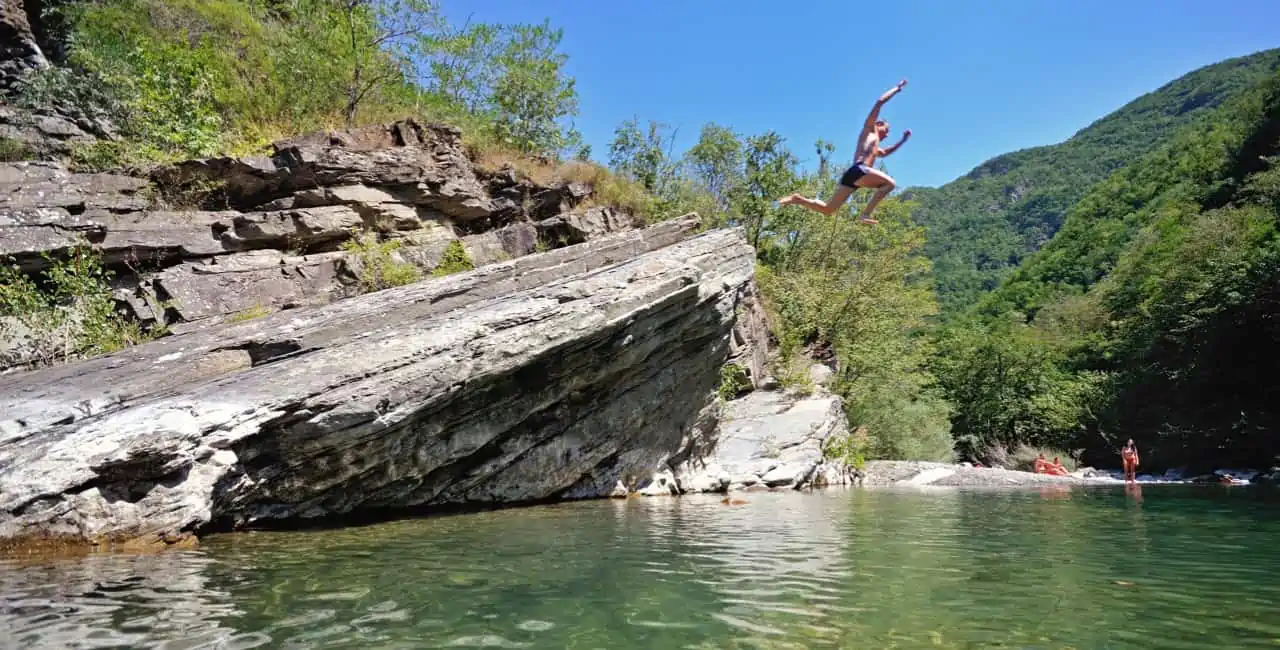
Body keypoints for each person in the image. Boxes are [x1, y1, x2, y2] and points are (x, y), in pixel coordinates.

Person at [777, 79, 912, 225]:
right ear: (878, 124)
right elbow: (880, 102)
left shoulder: (874, 146)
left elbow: (885, 152)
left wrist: (902, 141)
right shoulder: (869, 130)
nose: (887, 134)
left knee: (828, 210)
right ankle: (865, 214)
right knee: (890, 184)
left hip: (853, 177)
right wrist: (897, 89)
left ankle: (798, 199)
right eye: (887, 129)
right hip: (859, 169)